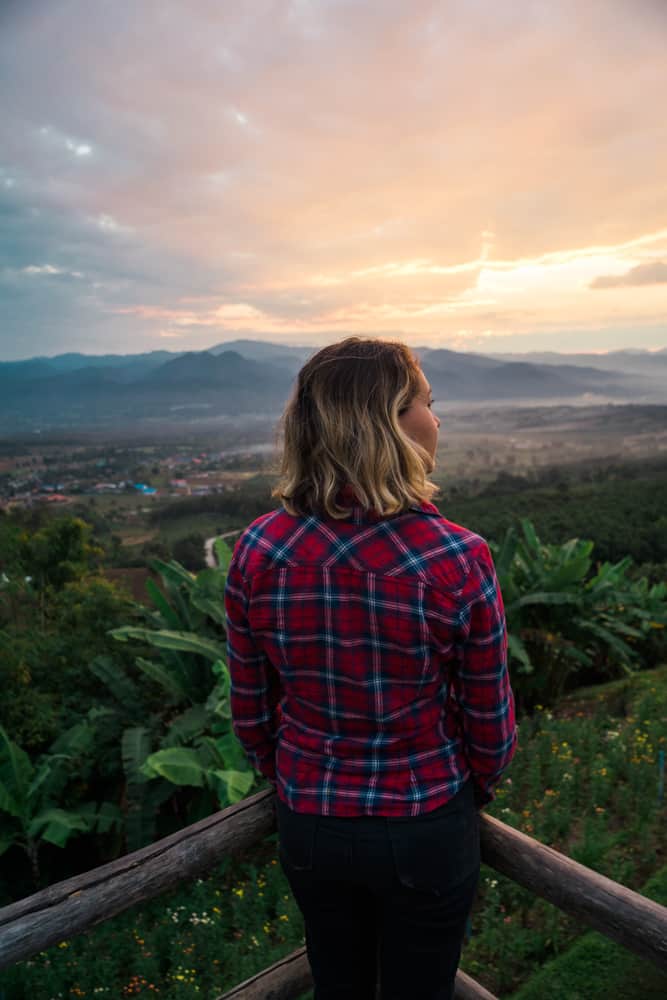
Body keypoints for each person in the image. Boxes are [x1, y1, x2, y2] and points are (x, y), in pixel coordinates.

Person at [224, 337, 517, 1000]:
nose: (436, 421)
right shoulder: (455, 558)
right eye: (425, 404)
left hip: (310, 823)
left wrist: (292, 774)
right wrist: (468, 789)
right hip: (423, 823)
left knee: (339, 985)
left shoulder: (258, 548)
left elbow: (250, 710)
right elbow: (489, 728)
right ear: (386, 422)